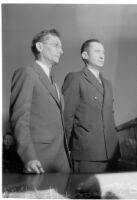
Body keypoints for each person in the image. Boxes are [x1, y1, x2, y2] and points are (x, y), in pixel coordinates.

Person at [9, 29, 72, 174]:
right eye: (56, 45)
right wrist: (29, 157)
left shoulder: (55, 85)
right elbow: (19, 119)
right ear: (39, 47)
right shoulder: (27, 73)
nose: (61, 51)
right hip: (39, 161)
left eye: (61, 47)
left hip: (62, 163)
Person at [62, 39, 120, 173]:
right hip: (86, 154)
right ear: (85, 55)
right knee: (86, 194)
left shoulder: (108, 84)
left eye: (103, 52)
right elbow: (66, 117)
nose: (102, 55)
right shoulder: (75, 78)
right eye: (97, 51)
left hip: (112, 154)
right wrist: (69, 149)